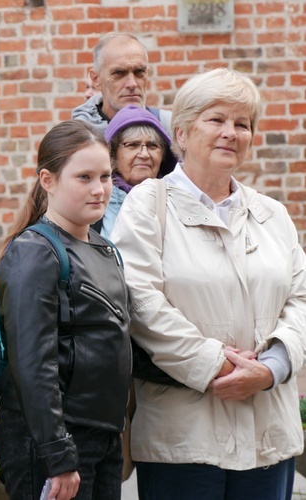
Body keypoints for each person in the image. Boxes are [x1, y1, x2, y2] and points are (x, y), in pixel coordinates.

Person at [111, 68, 306, 500]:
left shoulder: (272, 214)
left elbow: (301, 300)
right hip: (184, 439)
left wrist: (270, 369)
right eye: (216, 119)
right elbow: (140, 300)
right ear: (181, 132)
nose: (230, 133)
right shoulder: (148, 205)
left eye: (242, 124)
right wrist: (219, 365)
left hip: (267, 434)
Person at [0, 120, 131, 500]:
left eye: (105, 176)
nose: (99, 189)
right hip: (50, 441)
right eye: (84, 177)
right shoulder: (35, 252)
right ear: (48, 180)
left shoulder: (105, 249)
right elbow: (33, 364)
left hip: (102, 437)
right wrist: (58, 454)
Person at [72, 32, 171, 136]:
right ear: (96, 79)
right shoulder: (77, 137)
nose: (132, 84)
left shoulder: (169, 129)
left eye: (139, 71)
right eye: (118, 73)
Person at [97, 105, 174, 237]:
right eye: (132, 145)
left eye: (153, 145)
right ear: (112, 154)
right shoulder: (96, 201)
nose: (144, 154)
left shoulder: (176, 201)